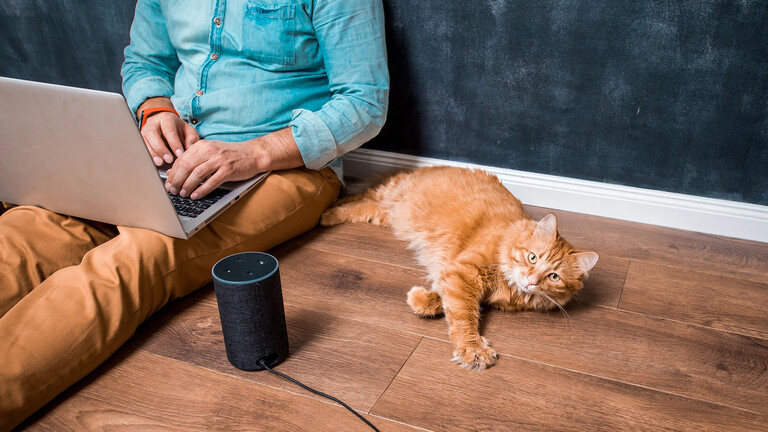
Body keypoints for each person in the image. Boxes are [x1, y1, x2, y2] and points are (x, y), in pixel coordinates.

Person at [0, 0, 388, 428]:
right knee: (23, 233)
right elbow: (146, 62)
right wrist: (155, 109)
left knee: (137, 257)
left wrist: (255, 153)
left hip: (282, 165)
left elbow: (364, 103)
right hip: (170, 156)